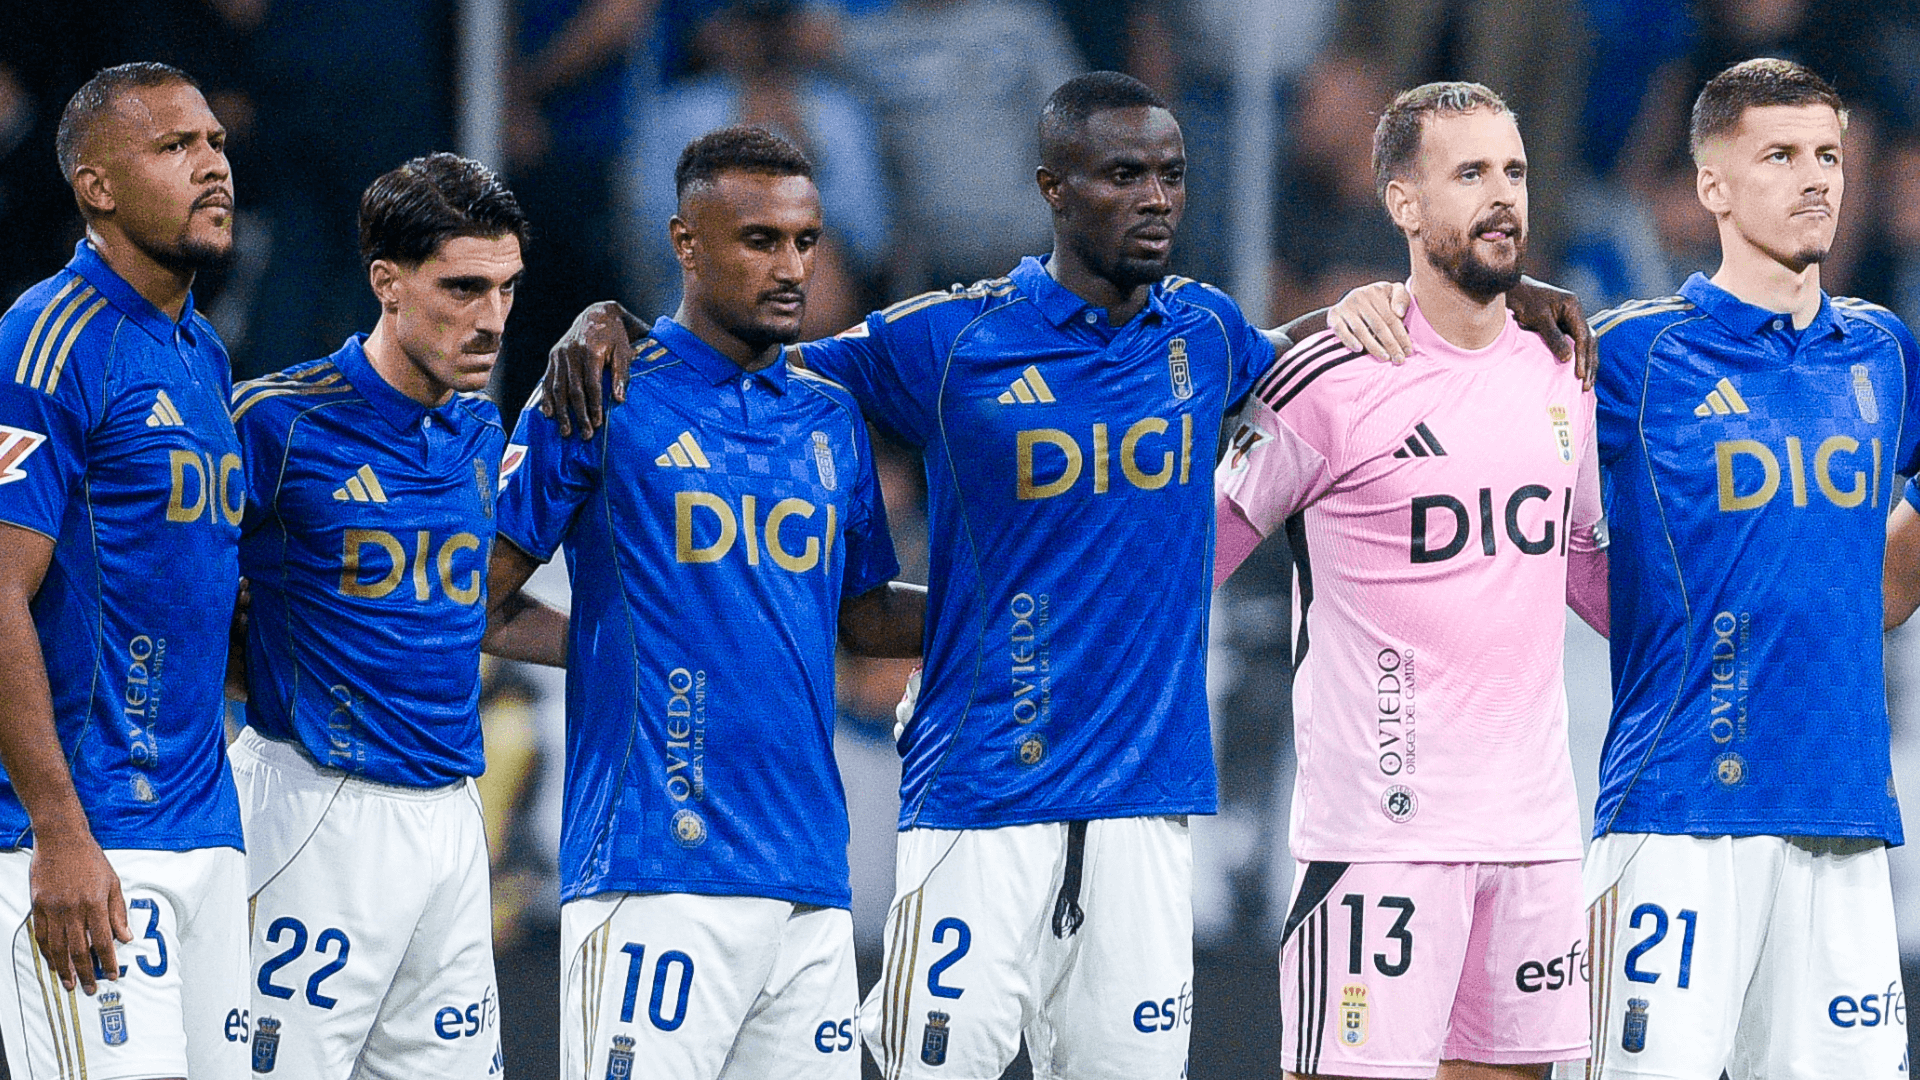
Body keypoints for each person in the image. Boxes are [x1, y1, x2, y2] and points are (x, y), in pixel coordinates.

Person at [542, 73, 1597, 1079]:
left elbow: (1345, 342)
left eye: (1170, 175)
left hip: (1146, 799)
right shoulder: (952, 338)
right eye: (1123, 175)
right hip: (980, 793)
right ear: (1053, 188)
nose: (1156, 199)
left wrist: (1512, 290)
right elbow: (754, 358)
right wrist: (613, 326)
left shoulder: (1206, 332)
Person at [491, 126, 924, 1080]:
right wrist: (607, 645)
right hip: (653, 871)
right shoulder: (601, 387)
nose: (792, 267)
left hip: (810, 883)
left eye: (805, 241)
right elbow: (475, 598)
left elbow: (860, 617)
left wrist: (1002, 605)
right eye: (760, 240)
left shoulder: (828, 414)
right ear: (685, 243)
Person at [1215, 81, 1605, 1080]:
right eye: (1469, 172)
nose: (1502, 194)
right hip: (1379, 842)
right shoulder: (1330, 377)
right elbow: (1190, 558)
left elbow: (1593, 577)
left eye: (1514, 171)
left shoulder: (1564, 370)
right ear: (1402, 202)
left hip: (1533, 837)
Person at [1583, 58, 1920, 1078]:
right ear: (1712, 185)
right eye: (1779, 155)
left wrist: (1867, 590)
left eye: (1828, 155)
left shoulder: (1883, 349)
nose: (1815, 178)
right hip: (1678, 814)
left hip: (1843, 816)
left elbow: (1885, 585)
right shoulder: (1632, 354)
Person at [226, 152, 566, 1078]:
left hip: (452, 821)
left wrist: (626, 646)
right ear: (388, 282)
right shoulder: (276, 423)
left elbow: (471, 606)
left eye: (506, 288)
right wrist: (266, 675)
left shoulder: (478, 429)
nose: (493, 317)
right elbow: (177, 593)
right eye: (463, 287)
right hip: (315, 807)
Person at [0, 62, 248, 1080]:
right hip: (90, 839)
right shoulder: (46, 338)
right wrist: (57, 830)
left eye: (215, 142)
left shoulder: (202, 351)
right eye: (174, 146)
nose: (212, 165)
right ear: (96, 188)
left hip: (207, 831)